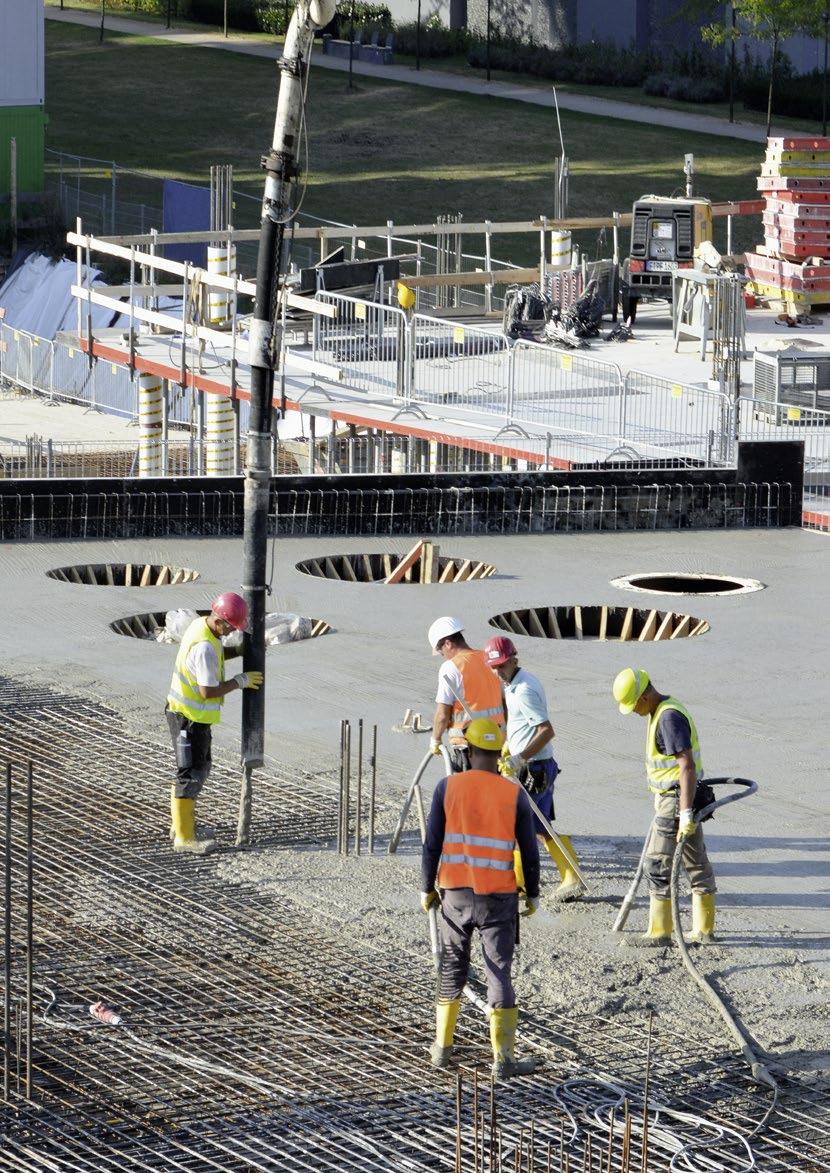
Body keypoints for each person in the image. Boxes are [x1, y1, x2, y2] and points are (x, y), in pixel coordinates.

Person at [420, 718, 542, 1081]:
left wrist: (426, 887)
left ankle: (441, 1049)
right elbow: (529, 851)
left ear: (469, 752)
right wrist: (533, 893)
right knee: (497, 972)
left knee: (453, 968)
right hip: (498, 899)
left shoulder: (447, 787)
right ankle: (503, 1059)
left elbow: (432, 844)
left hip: (454, 897)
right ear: (498, 752)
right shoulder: (513, 793)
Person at [612, 667, 716, 946]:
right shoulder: (662, 711)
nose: (633, 711)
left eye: (633, 705)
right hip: (683, 796)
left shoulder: (668, 718)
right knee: (695, 861)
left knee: (657, 863)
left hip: (677, 799)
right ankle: (704, 930)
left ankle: (660, 932)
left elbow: (687, 766)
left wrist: (682, 813)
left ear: (644, 697)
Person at [483, 635, 584, 903]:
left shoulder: (524, 689)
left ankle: (522, 884)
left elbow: (546, 731)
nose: (498, 671)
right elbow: (522, 726)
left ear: (514, 658)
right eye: (494, 667)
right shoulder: (513, 683)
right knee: (540, 828)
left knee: (518, 828)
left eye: (502, 665)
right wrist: (509, 748)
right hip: (535, 765)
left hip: (534, 770)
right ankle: (569, 877)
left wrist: (519, 758)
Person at [166, 592, 263, 854]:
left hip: (186, 715)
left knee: (194, 769)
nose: (232, 632)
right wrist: (239, 682)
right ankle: (184, 838)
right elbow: (207, 690)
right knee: (191, 772)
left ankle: (181, 824)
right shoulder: (205, 647)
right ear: (220, 621)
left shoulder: (202, 627)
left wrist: (237, 651)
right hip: (190, 719)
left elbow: (213, 658)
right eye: (231, 628)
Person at [428, 616, 504, 772]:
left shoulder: (451, 667)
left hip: (469, 747)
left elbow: (442, 714)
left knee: (468, 793)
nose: (443, 656)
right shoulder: (488, 659)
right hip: (497, 744)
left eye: (441, 651)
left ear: (448, 643)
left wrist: (435, 740)